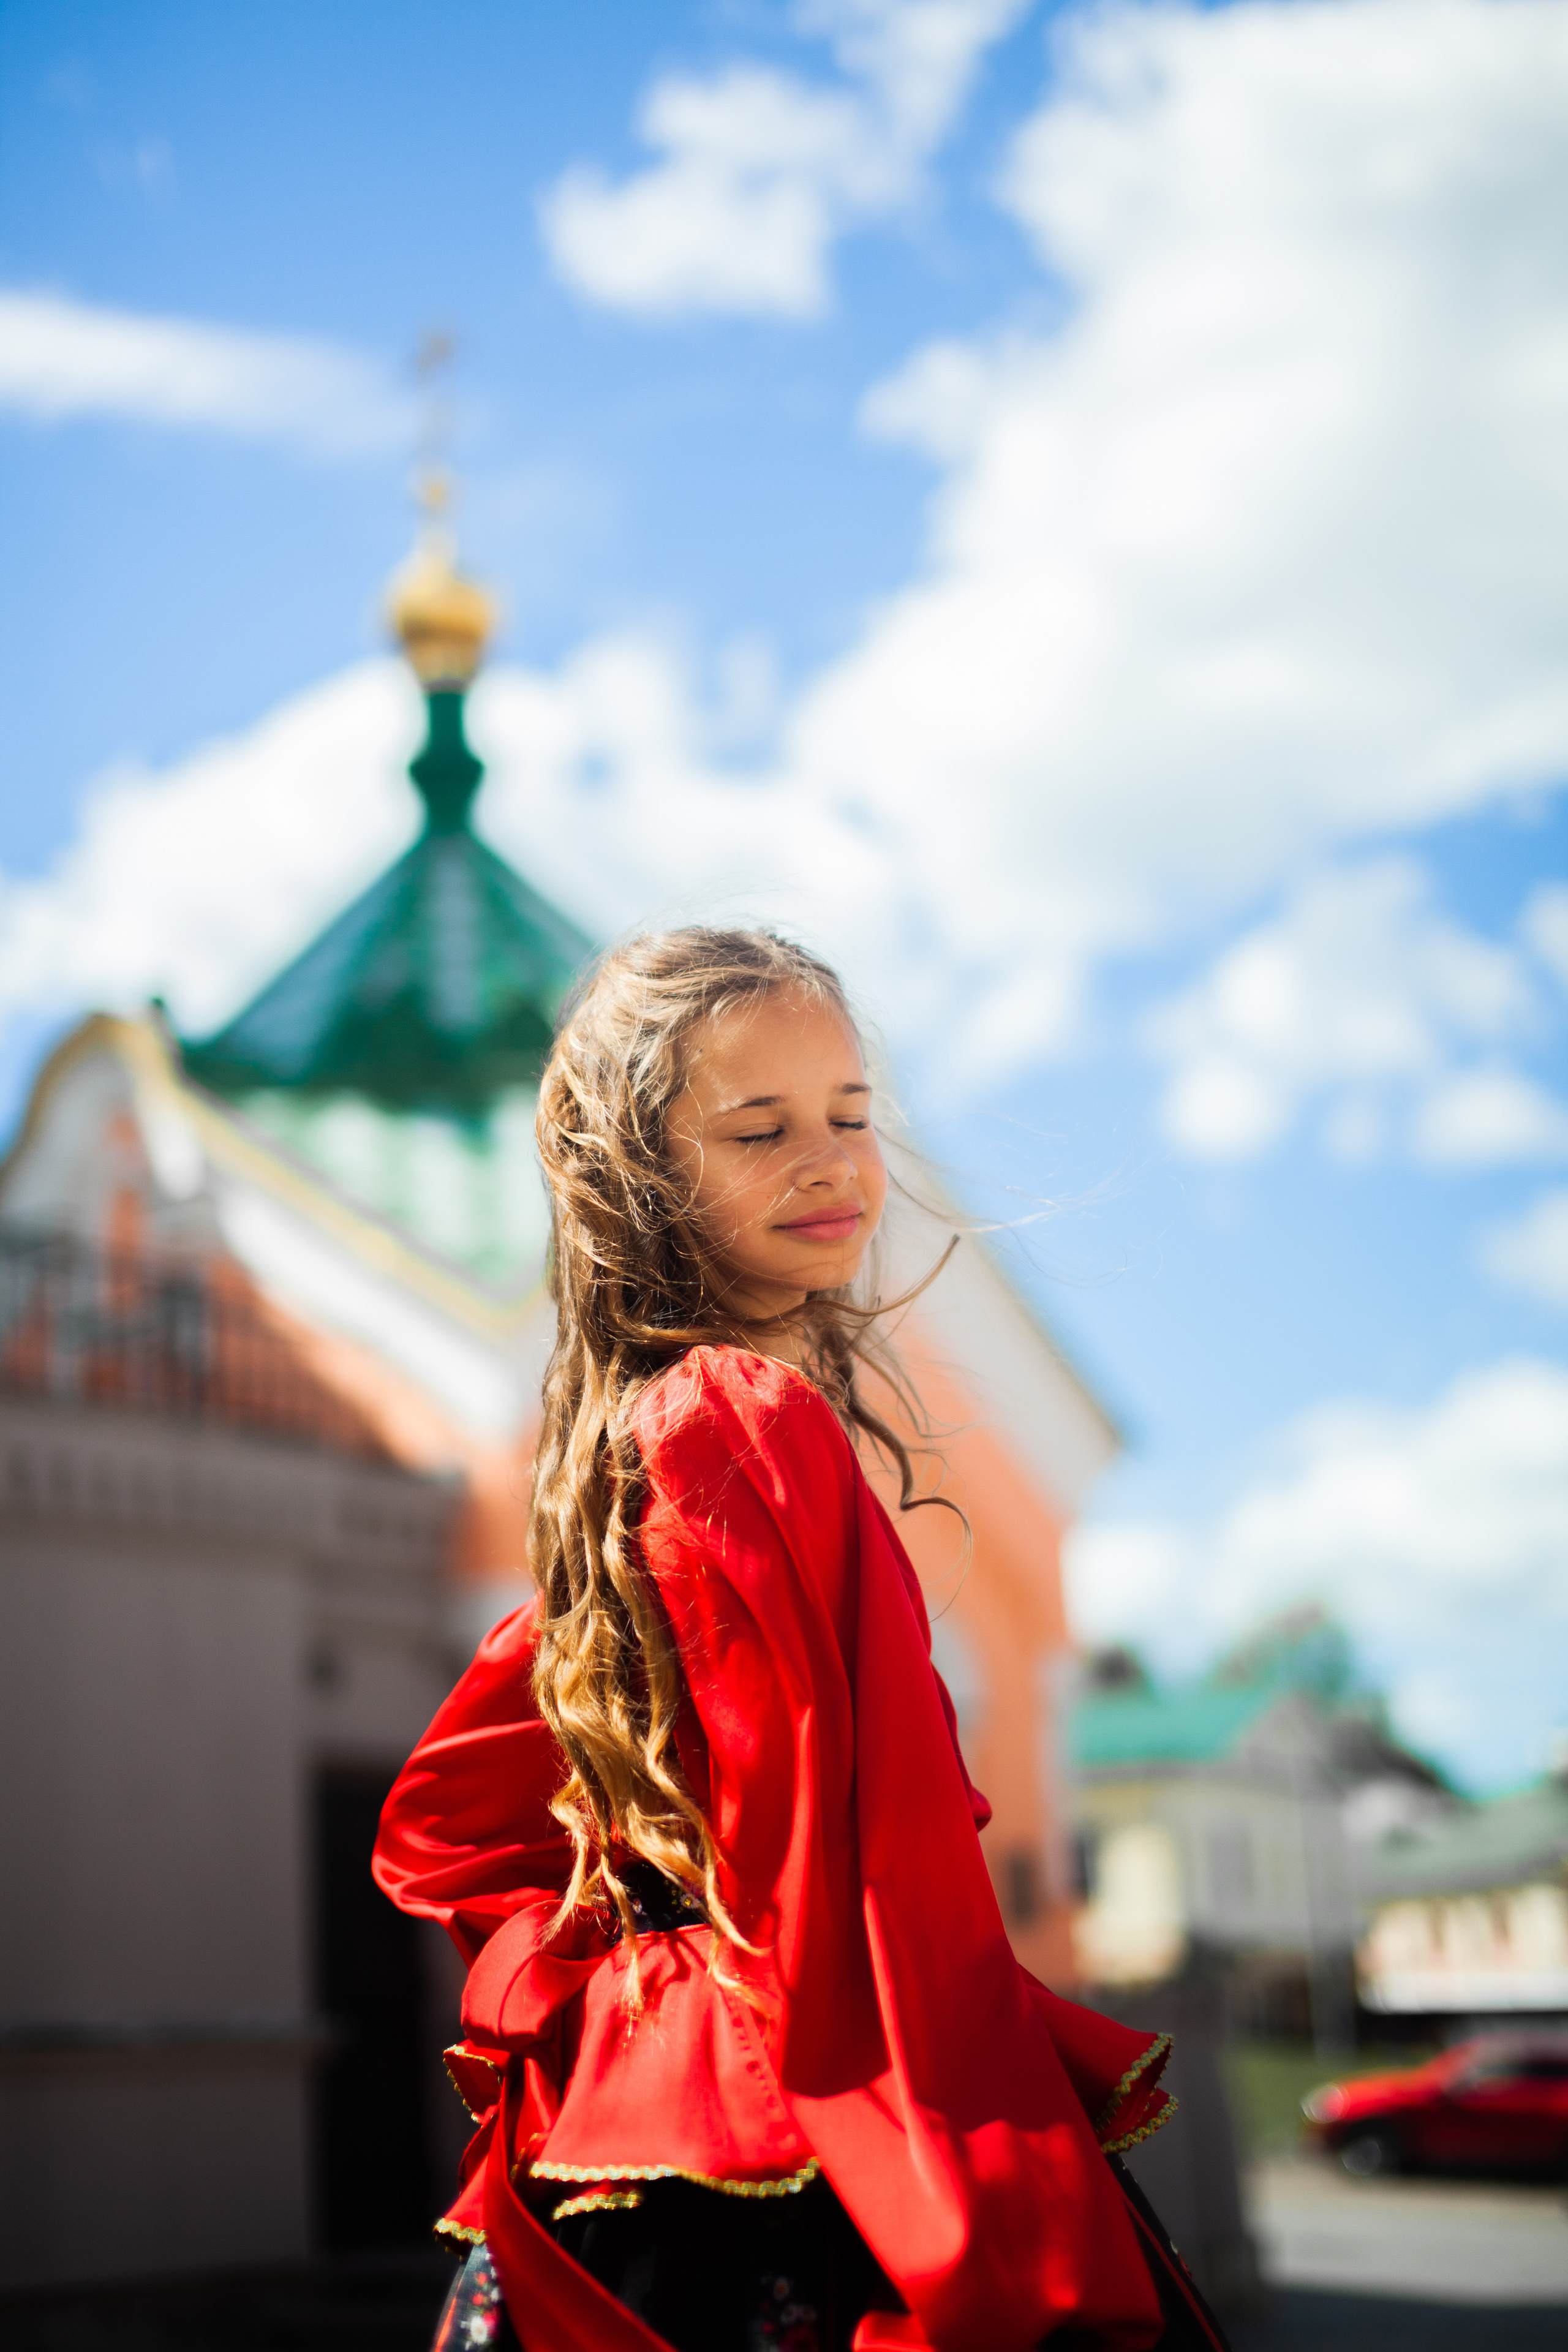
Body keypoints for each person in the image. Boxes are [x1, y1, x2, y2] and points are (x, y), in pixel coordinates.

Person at [373, 928, 1227, 2352]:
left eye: (849, 1116)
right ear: (641, 1184)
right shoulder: (734, 1419)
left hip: (643, 2103)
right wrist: (965, 2191)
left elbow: (453, 1820)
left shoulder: (628, 1441)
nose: (829, 1163)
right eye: (760, 1128)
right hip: (785, 2098)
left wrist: (606, 1975)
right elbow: (840, 1861)